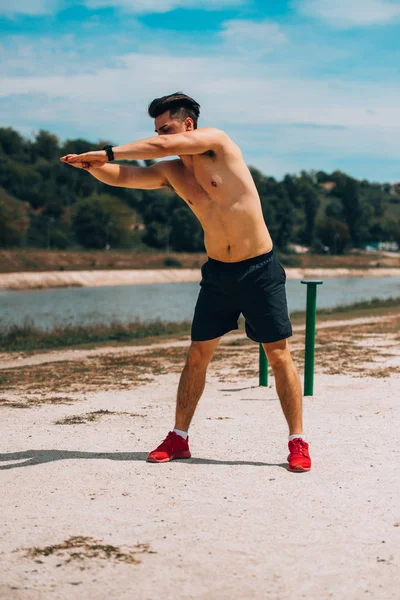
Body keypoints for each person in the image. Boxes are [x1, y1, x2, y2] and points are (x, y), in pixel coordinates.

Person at [60, 92, 311, 472]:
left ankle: (297, 441)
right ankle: (179, 437)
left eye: (166, 128)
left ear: (188, 125)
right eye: (157, 130)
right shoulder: (171, 171)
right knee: (197, 356)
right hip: (217, 273)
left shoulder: (218, 143)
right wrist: (91, 166)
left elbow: (149, 149)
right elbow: (125, 176)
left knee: (278, 356)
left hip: (259, 269)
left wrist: (107, 151)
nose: (161, 136)